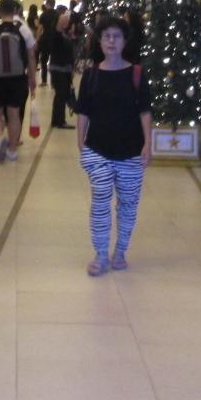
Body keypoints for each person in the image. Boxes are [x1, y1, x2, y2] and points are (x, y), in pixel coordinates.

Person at [74, 18, 153, 276]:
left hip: (131, 149)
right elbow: (83, 110)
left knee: (128, 204)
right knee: (100, 200)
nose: (111, 41)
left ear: (124, 41)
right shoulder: (91, 74)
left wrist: (148, 143)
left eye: (116, 36)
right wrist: (81, 143)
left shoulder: (137, 74)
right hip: (98, 148)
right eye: (106, 36)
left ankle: (120, 251)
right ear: (99, 40)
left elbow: (144, 111)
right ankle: (100, 253)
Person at [0, 0, 36, 163]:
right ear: (15, 10)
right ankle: (12, 150)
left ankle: (0, 137)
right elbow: (31, 55)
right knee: (14, 113)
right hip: (17, 77)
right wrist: (32, 78)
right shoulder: (24, 29)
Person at [48, 5, 76, 129]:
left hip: (66, 69)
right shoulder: (56, 33)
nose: (66, 21)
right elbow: (58, 27)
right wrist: (63, 18)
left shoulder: (66, 34)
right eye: (63, 19)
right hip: (58, 69)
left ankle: (57, 119)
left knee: (62, 94)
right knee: (61, 94)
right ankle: (59, 120)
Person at [36, 0, 59, 85]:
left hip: (45, 38)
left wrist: (37, 40)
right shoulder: (57, 14)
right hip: (55, 38)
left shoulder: (44, 14)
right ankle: (54, 81)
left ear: (48, 4)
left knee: (44, 60)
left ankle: (44, 80)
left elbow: (40, 28)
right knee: (54, 60)